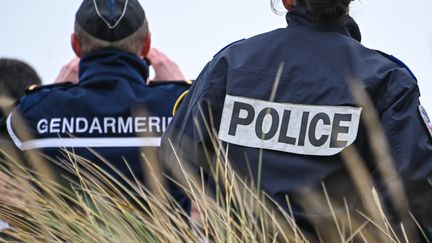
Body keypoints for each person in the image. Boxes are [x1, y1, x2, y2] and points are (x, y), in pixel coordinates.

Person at [160, 0, 432, 239]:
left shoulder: (230, 64)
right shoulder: (387, 79)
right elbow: (416, 195)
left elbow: (172, 162)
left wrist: (217, 217)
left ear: (287, 1)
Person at [4, 0, 191, 211]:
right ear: (147, 44)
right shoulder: (184, 111)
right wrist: (186, 95)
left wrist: (50, 93)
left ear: (75, 45)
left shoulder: (30, 113)